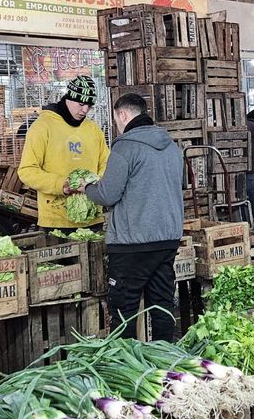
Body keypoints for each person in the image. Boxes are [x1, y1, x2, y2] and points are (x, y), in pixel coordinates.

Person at [79, 93, 183, 341]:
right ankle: (164, 362)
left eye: (116, 119)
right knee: (162, 305)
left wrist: (86, 187)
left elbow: (107, 194)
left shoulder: (125, 146)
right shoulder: (172, 147)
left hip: (132, 244)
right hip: (167, 239)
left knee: (124, 311)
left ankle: (125, 369)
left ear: (123, 114)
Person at [17, 75, 109, 232]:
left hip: (92, 216)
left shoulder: (93, 129)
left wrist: (95, 185)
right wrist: (61, 184)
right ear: (68, 98)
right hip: (56, 220)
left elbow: (106, 163)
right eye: (81, 104)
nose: (85, 110)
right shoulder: (42, 126)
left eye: (89, 106)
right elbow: (26, 170)